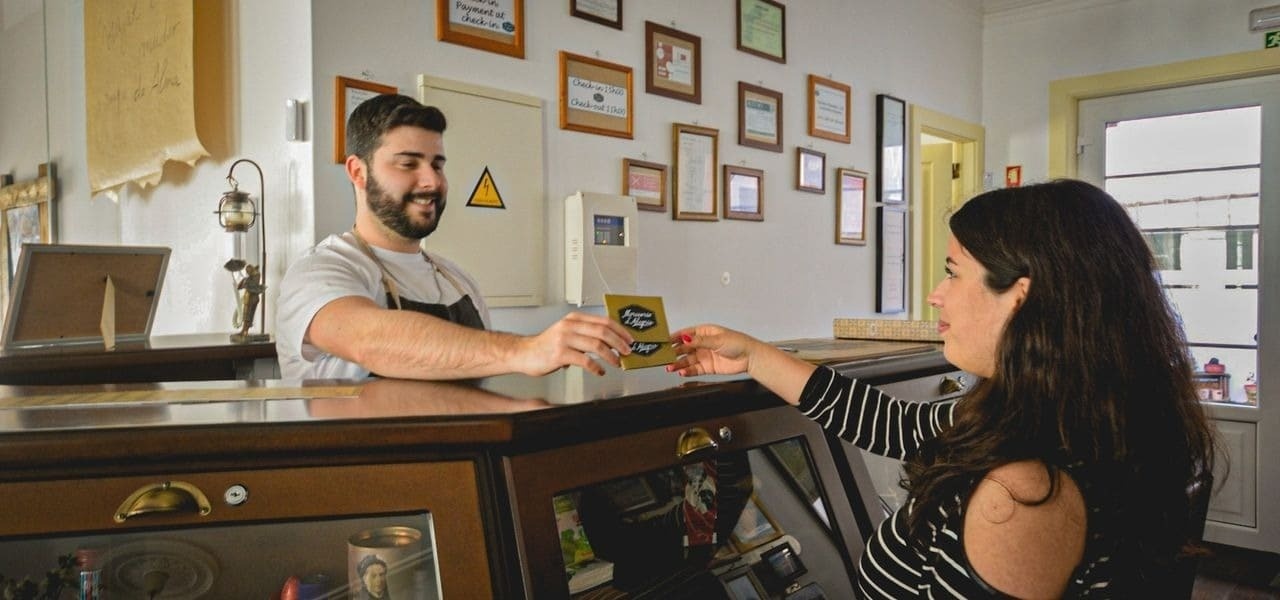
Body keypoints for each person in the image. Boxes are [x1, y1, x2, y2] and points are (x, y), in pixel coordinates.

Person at [668, 179, 1216, 598]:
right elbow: (889, 423)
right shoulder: (1047, 413)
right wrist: (753, 355)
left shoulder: (1024, 496)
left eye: (952, 272)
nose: (936, 294)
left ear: (1020, 298)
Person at [277, 94, 633, 380]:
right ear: (358, 172)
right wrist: (524, 350)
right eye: (408, 164)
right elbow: (370, 341)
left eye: (437, 164)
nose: (432, 181)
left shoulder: (458, 281)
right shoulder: (320, 271)